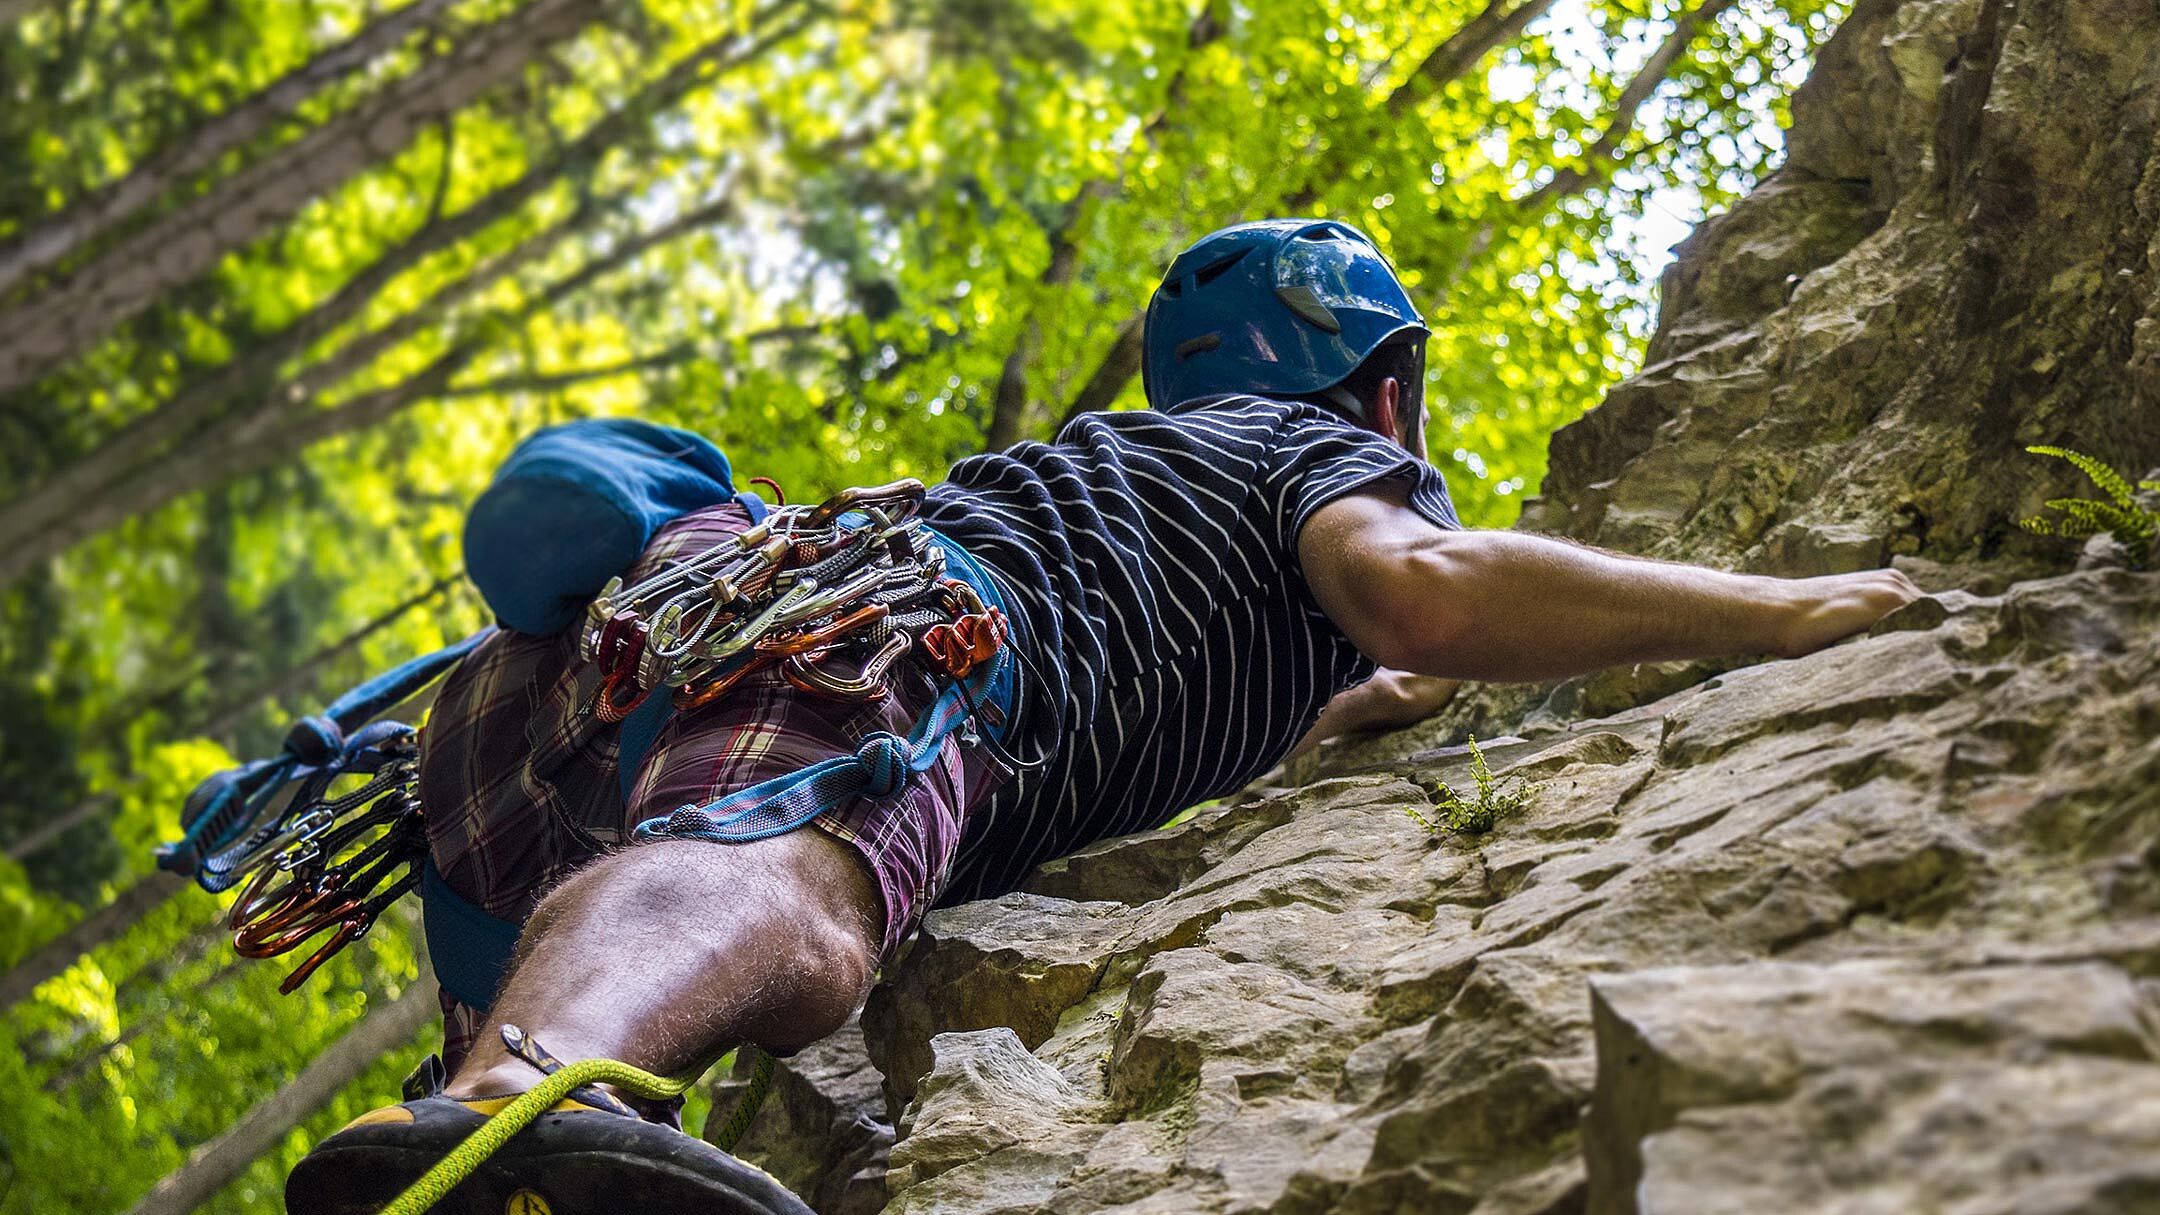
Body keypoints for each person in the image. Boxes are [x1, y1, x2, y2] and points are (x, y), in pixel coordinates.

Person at [287, 219, 1921, 1214]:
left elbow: (1343, 691)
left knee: (580, 986)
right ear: (1386, 393)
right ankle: (507, 1112)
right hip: (885, 635)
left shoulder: (1138, 489)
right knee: (794, 881)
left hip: (555, 699)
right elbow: (1425, 594)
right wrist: (1788, 608)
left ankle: (471, 1106)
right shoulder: (1314, 462)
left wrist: (1373, 708)